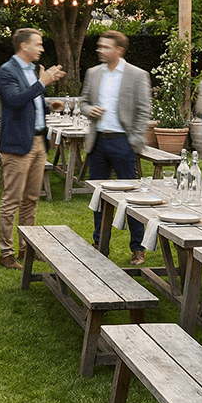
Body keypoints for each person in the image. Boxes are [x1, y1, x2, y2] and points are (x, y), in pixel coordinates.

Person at [79, 30, 152, 265]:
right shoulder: (92, 74)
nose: (100, 50)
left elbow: (143, 111)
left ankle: (138, 248)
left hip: (123, 141)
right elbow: (83, 102)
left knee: (130, 198)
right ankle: (100, 244)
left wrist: (134, 142)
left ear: (119, 50)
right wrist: (89, 110)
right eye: (100, 46)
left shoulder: (137, 75)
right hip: (98, 141)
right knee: (99, 197)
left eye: (105, 47)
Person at [0, 27, 65, 270]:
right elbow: (14, 101)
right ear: (24, 46)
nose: (42, 48)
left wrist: (47, 104)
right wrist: (43, 83)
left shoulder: (32, 71)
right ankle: (6, 254)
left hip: (37, 141)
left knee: (31, 199)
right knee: (11, 200)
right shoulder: (7, 71)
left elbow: (29, 100)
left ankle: (26, 248)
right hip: (17, 144)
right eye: (38, 44)